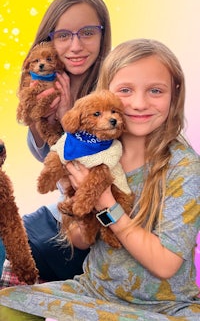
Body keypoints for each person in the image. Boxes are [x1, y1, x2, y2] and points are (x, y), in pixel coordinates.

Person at [0, 38, 200, 321]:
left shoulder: (184, 166)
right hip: (94, 292)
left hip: (163, 306)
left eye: (155, 90)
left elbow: (166, 265)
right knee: (9, 304)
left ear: (174, 94)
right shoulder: (94, 149)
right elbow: (80, 240)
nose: (139, 103)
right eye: (125, 91)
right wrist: (79, 205)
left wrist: (106, 202)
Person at [10, 0, 111, 282]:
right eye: (63, 35)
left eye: (88, 32)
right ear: (48, 41)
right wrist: (42, 120)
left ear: (103, 36)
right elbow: (46, 156)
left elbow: (94, 172)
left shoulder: (113, 92)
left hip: (90, 227)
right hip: (58, 215)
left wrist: (69, 121)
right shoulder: (48, 82)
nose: (76, 45)